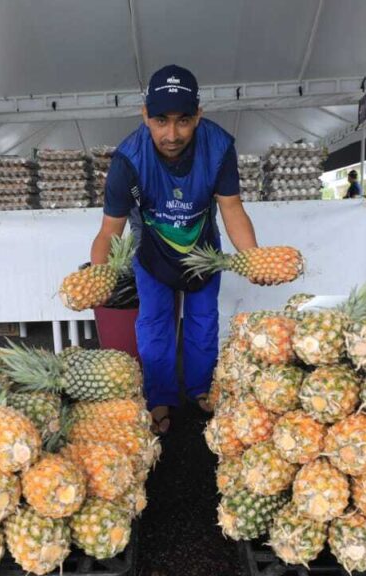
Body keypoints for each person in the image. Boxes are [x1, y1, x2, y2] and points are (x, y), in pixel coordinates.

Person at [93, 64, 260, 435]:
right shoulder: (128, 160)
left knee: (203, 322)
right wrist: (99, 276)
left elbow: (231, 208)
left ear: (198, 114)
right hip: (152, 253)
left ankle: (201, 389)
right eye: (160, 121)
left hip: (203, 249)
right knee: (154, 325)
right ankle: (160, 399)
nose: (172, 134)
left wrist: (253, 258)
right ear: (145, 115)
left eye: (184, 121)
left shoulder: (218, 148)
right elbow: (108, 232)